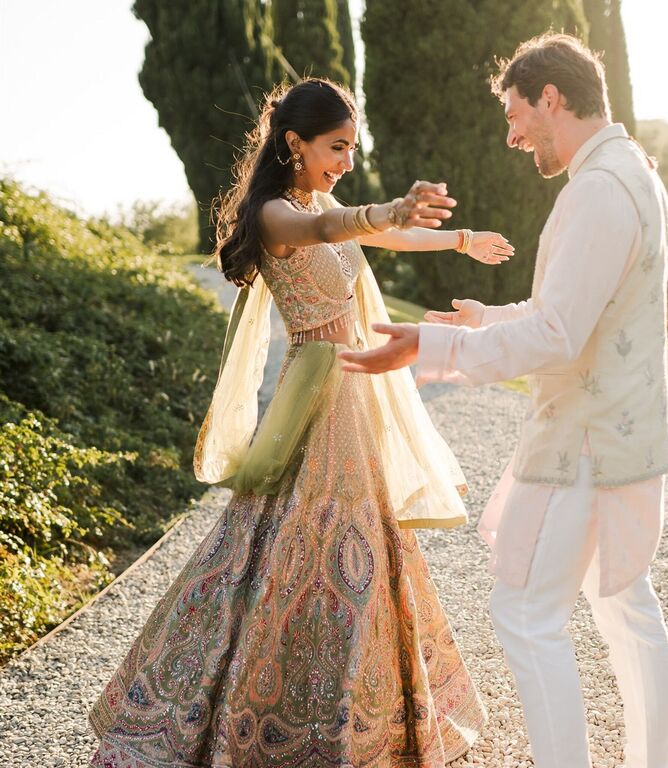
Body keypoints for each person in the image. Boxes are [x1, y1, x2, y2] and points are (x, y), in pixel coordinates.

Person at [87, 77, 514, 767]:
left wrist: (460, 239)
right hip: (313, 394)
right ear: (295, 143)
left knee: (359, 545)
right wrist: (382, 208)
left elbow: (378, 237)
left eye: (352, 146)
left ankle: (365, 711)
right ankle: (229, 708)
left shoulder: (319, 196)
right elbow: (328, 230)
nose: (346, 159)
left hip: (352, 394)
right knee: (272, 544)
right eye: (336, 146)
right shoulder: (276, 215)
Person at [339, 34, 668, 768]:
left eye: (516, 112)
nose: (512, 134)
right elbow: (578, 312)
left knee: (525, 614)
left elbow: (559, 334)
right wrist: (488, 321)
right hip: (622, 432)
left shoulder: (597, 189)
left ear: (551, 98)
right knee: (626, 606)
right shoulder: (634, 174)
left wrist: (427, 349)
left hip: (586, 439)